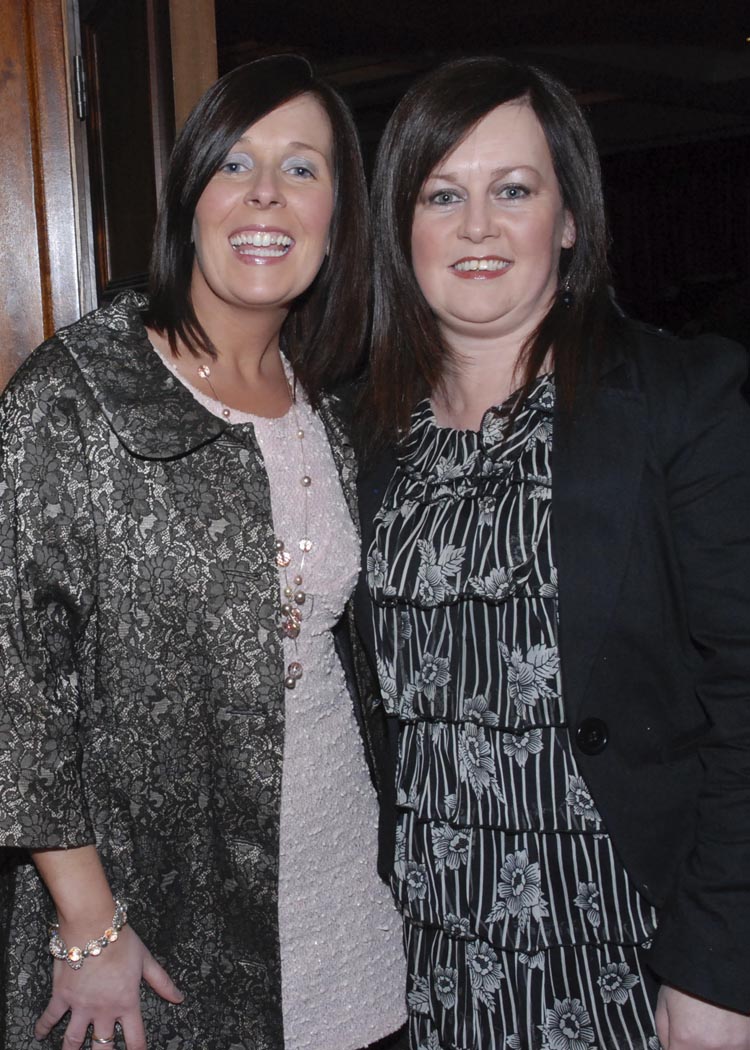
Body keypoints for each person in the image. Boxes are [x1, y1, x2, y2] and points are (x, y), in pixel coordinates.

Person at [0, 55, 407, 1050]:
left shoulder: (333, 409)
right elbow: (17, 684)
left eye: (302, 168)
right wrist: (90, 925)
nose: (267, 192)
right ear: (190, 199)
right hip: (153, 932)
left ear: (338, 218)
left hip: (346, 897)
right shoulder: (76, 395)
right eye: (235, 162)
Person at [355, 56, 750, 1050]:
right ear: (402, 227)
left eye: (514, 191)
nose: (477, 227)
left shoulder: (680, 404)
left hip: (630, 957)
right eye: (442, 195)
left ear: (569, 219)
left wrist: (719, 971)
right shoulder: (358, 437)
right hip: (426, 961)